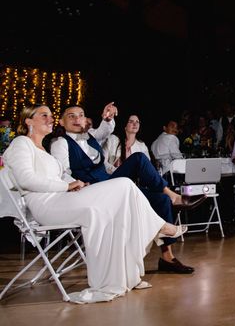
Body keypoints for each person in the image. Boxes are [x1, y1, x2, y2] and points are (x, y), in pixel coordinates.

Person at [3, 104, 187, 303]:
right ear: (28, 121)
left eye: (50, 115)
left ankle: (126, 273)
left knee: (125, 189)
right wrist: (67, 186)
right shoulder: (22, 143)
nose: (50, 118)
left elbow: (61, 175)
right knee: (124, 186)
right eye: (43, 115)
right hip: (47, 205)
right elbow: (26, 180)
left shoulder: (45, 150)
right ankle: (159, 226)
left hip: (64, 198)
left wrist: (74, 185)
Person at [50, 103, 203, 274]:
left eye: (81, 115)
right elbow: (62, 172)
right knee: (138, 158)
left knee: (160, 199)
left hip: (110, 184)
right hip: (94, 192)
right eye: (71, 116)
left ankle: (167, 257)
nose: (77, 119)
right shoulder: (61, 143)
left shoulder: (90, 137)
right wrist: (75, 184)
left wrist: (108, 118)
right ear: (62, 122)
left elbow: (104, 130)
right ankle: (174, 196)